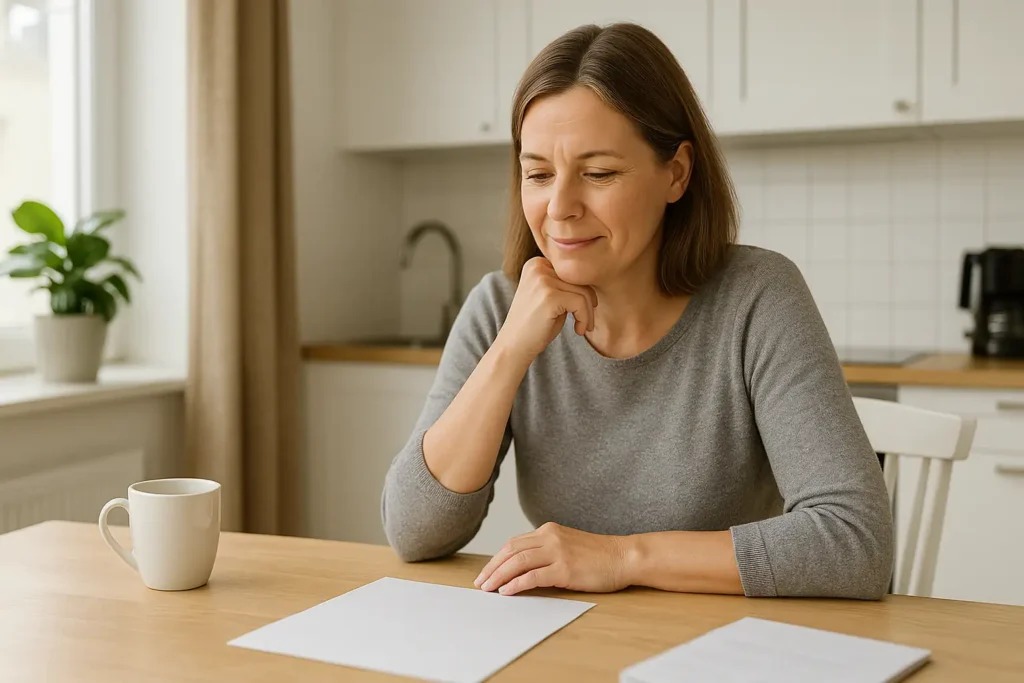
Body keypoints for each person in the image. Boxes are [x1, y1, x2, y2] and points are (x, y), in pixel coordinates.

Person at [380, 22, 893, 600]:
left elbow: (855, 543)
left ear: (676, 172)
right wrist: (508, 353)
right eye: (538, 174)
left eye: (599, 174)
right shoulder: (500, 307)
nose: (561, 208)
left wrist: (621, 557)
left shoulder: (758, 297)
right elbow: (413, 533)